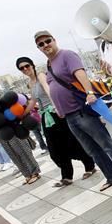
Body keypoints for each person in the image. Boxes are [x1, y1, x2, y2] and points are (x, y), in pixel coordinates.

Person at [35, 30, 112, 191]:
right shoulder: (50, 64)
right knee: (92, 149)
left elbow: (80, 74)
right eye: (41, 44)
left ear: (54, 39)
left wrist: (89, 92)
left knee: (106, 144)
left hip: (81, 110)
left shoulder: (66, 55)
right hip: (69, 116)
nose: (45, 45)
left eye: (47, 41)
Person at [17, 56, 97, 188]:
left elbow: (49, 91)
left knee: (71, 142)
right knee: (54, 150)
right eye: (22, 68)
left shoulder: (41, 76)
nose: (25, 69)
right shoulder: (30, 83)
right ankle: (67, 176)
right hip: (45, 117)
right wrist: (22, 114)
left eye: (27, 66)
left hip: (55, 113)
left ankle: (89, 166)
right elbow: (33, 101)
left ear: (32, 65)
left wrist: (57, 107)